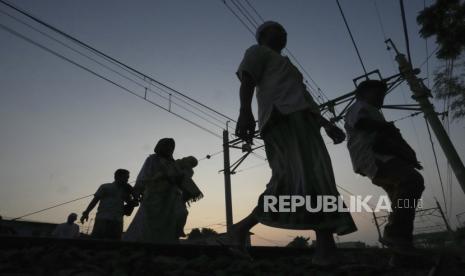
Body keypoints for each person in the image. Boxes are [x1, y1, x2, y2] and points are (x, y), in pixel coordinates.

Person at [230, 21, 357, 265]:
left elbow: (306, 100)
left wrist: (327, 124)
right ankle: (242, 229)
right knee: (291, 177)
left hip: (303, 121)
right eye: (277, 29)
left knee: (318, 177)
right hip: (281, 118)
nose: (284, 33)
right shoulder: (257, 52)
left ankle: (325, 248)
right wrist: (245, 111)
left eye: (285, 31)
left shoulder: (289, 68)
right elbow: (247, 80)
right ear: (263, 35)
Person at [344, 80, 424, 251]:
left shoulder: (372, 111)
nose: (382, 98)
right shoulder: (359, 106)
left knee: (400, 197)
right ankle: (396, 235)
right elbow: (361, 123)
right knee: (411, 181)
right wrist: (390, 129)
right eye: (378, 93)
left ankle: (400, 246)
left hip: (380, 159)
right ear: (363, 93)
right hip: (375, 158)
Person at [124, 138, 183, 243]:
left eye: (172, 147)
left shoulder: (174, 163)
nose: (170, 148)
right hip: (154, 195)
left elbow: (179, 180)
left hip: (170, 197)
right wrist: (138, 191)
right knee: (148, 221)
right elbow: (144, 175)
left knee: (173, 218)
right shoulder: (152, 159)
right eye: (168, 146)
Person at [80, 169, 137, 240]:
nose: (127, 180)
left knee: (114, 245)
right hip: (103, 219)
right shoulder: (105, 187)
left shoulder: (125, 190)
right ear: (117, 176)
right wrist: (86, 212)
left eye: (128, 178)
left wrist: (133, 193)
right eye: (125, 177)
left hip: (117, 220)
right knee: (98, 242)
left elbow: (132, 204)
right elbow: (95, 201)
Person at [174, 156, 204, 238]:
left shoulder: (190, 171)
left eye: (192, 165)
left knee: (183, 213)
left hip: (178, 194)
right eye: (190, 163)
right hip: (167, 192)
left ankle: (179, 229)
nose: (190, 165)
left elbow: (185, 181)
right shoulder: (175, 163)